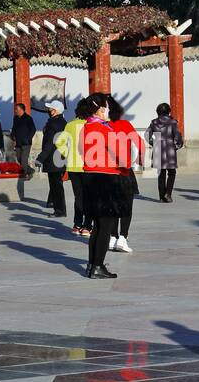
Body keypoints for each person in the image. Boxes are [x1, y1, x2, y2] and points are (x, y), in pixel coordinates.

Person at [81, 93, 125, 278]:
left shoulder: (86, 127)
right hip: (106, 177)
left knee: (97, 225)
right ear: (99, 109)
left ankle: (92, 264)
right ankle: (98, 265)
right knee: (106, 225)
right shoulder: (104, 129)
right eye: (105, 107)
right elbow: (120, 154)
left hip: (90, 176)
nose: (107, 110)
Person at [108, 96, 144, 253]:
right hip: (124, 171)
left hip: (106, 172)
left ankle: (112, 237)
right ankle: (123, 237)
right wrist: (138, 161)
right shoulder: (125, 125)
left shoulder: (102, 126)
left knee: (112, 206)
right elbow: (139, 144)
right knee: (126, 206)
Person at [58, 99, 92, 236]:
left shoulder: (70, 125)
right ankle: (87, 226)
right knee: (89, 197)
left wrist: (67, 154)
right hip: (88, 166)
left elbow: (59, 142)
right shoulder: (92, 125)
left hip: (73, 166)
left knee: (78, 196)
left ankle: (77, 224)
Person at [146, 103, 184, 202]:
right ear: (168, 111)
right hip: (170, 148)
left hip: (158, 148)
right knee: (172, 173)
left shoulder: (154, 122)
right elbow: (177, 136)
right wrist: (176, 146)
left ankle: (161, 196)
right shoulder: (172, 122)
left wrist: (154, 142)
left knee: (161, 173)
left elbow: (147, 135)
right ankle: (168, 194)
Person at [38, 101, 68, 217]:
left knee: (56, 186)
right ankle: (56, 205)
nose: (49, 111)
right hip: (61, 157)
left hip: (53, 159)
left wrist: (40, 158)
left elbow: (50, 143)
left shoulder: (52, 124)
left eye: (50, 109)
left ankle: (60, 210)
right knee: (57, 185)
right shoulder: (64, 123)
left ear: (55, 111)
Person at [11, 103, 36, 179]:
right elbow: (14, 128)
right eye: (15, 109)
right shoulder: (15, 118)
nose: (15, 111)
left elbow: (33, 129)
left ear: (21, 110)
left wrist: (28, 139)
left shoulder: (28, 118)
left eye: (17, 109)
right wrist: (12, 136)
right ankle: (30, 170)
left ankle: (25, 175)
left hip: (26, 143)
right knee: (19, 159)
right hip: (18, 143)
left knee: (24, 159)